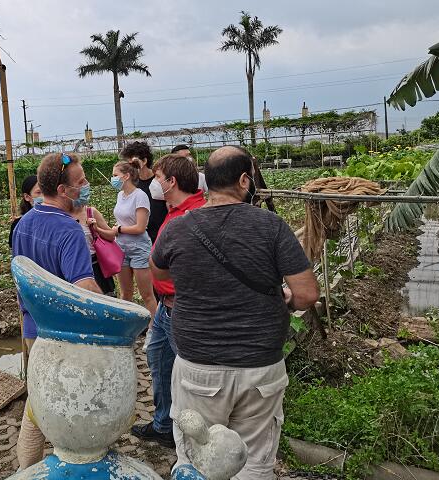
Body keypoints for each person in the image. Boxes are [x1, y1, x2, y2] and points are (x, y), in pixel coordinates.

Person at [150, 146, 319, 479]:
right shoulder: (271, 226)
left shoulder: (177, 228)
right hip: (260, 368)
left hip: (198, 367)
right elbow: (307, 294)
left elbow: (159, 272)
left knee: (197, 458)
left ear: (208, 181)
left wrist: (197, 279)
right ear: (244, 180)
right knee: (253, 460)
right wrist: (286, 300)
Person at [12, 152, 102, 468]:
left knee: (37, 401)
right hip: (64, 336)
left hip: (33, 328)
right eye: (81, 181)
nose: (86, 185)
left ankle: (27, 468)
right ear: (63, 190)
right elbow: (84, 288)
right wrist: (115, 309)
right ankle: (76, 464)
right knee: (74, 403)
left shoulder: (23, 223)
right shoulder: (68, 231)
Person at [130, 154, 206, 448]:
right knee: (158, 359)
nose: (154, 183)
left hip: (183, 308)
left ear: (172, 182)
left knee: (192, 375)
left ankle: (196, 438)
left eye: (158, 178)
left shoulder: (196, 215)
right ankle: (163, 424)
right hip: (165, 307)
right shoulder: (175, 210)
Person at [108, 160, 158, 319]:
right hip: (121, 248)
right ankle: (128, 326)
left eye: (115, 175)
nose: (113, 178)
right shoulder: (120, 195)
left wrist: (119, 229)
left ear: (126, 176)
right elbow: (123, 219)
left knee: (147, 295)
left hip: (138, 249)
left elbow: (140, 228)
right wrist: (117, 228)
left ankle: (155, 327)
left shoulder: (140, 196)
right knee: (125, 293)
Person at [120, 141, 167, 243]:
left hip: (162, 236)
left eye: (132, 164)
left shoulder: (160, 182)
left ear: (144, 161)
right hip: (141, 239)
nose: (130, 168)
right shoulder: (133, 185)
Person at [70, 200, 118, 296]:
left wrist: (96, 229)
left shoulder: (90, 212)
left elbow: (111, 236)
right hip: (75, 267)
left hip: (96, 266)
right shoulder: (61, 215)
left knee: (106, 299)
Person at [9, 175, 42, 248]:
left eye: (46, 191)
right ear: (27, 197)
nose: (44, 196)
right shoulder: (18, 224)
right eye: (38, 192)